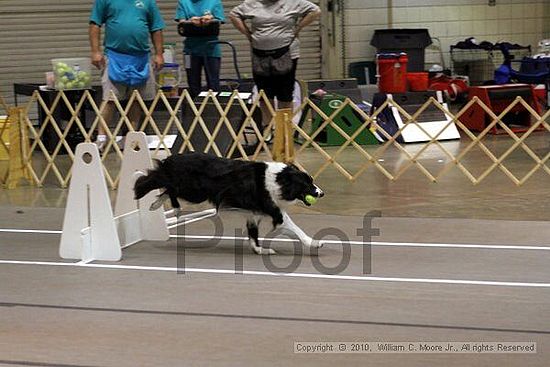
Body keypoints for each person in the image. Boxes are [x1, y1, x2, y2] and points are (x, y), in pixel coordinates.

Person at [229, 0, 321, 130]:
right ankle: (268, 127)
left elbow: (315, 10)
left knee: (285, 91)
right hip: (259, 54)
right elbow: (234, 15)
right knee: (264, 92)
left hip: (286, 53)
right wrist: (248, 34)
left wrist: (299, 27)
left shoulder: (293, 3)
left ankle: (284, 128)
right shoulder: (252, 3)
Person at [89, 0, 165, 151]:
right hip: (114, 55)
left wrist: (159, 54)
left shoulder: (148, 2)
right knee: (110, 99)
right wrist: (95, 51)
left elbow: (156, 28)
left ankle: (132, 136)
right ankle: (101, 138)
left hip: (141, 57)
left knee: (136, 99)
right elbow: (95, 24)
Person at [175, 0, 225, 99]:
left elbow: (219, 21)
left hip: (212, 50)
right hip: (189, 51)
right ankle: (195, 108)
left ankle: (214, 108)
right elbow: (181, 24)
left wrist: (210, 19)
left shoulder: (215, 2)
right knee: (192, 80)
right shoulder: (183, 2)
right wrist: (190, 22)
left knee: (213, 81)